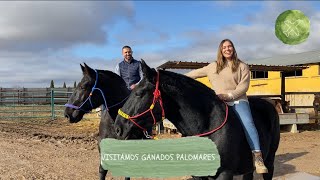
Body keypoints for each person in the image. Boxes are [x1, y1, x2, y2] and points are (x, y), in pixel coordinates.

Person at [185, 39, 268, 174]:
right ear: (220, 50)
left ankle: (257, 157)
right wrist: (174, 78)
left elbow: (244, 86)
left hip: (237, 101)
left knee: (248, 123)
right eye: (224, 47)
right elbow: (193, 74)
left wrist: (230, 96)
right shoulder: (212, 66)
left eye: (229, 46)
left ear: (233, 49)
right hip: (218, 103)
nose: (227, 49)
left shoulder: (242, 66)